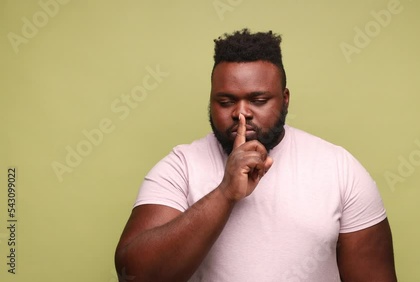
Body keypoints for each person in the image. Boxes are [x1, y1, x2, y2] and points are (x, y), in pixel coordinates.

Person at [115, 28, 397, 282]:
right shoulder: (180, 167)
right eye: (225, 101)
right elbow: (135, 275)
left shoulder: (339, 168)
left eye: (258, 100)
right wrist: (226, 192)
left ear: (285, 99)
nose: (241, 113)